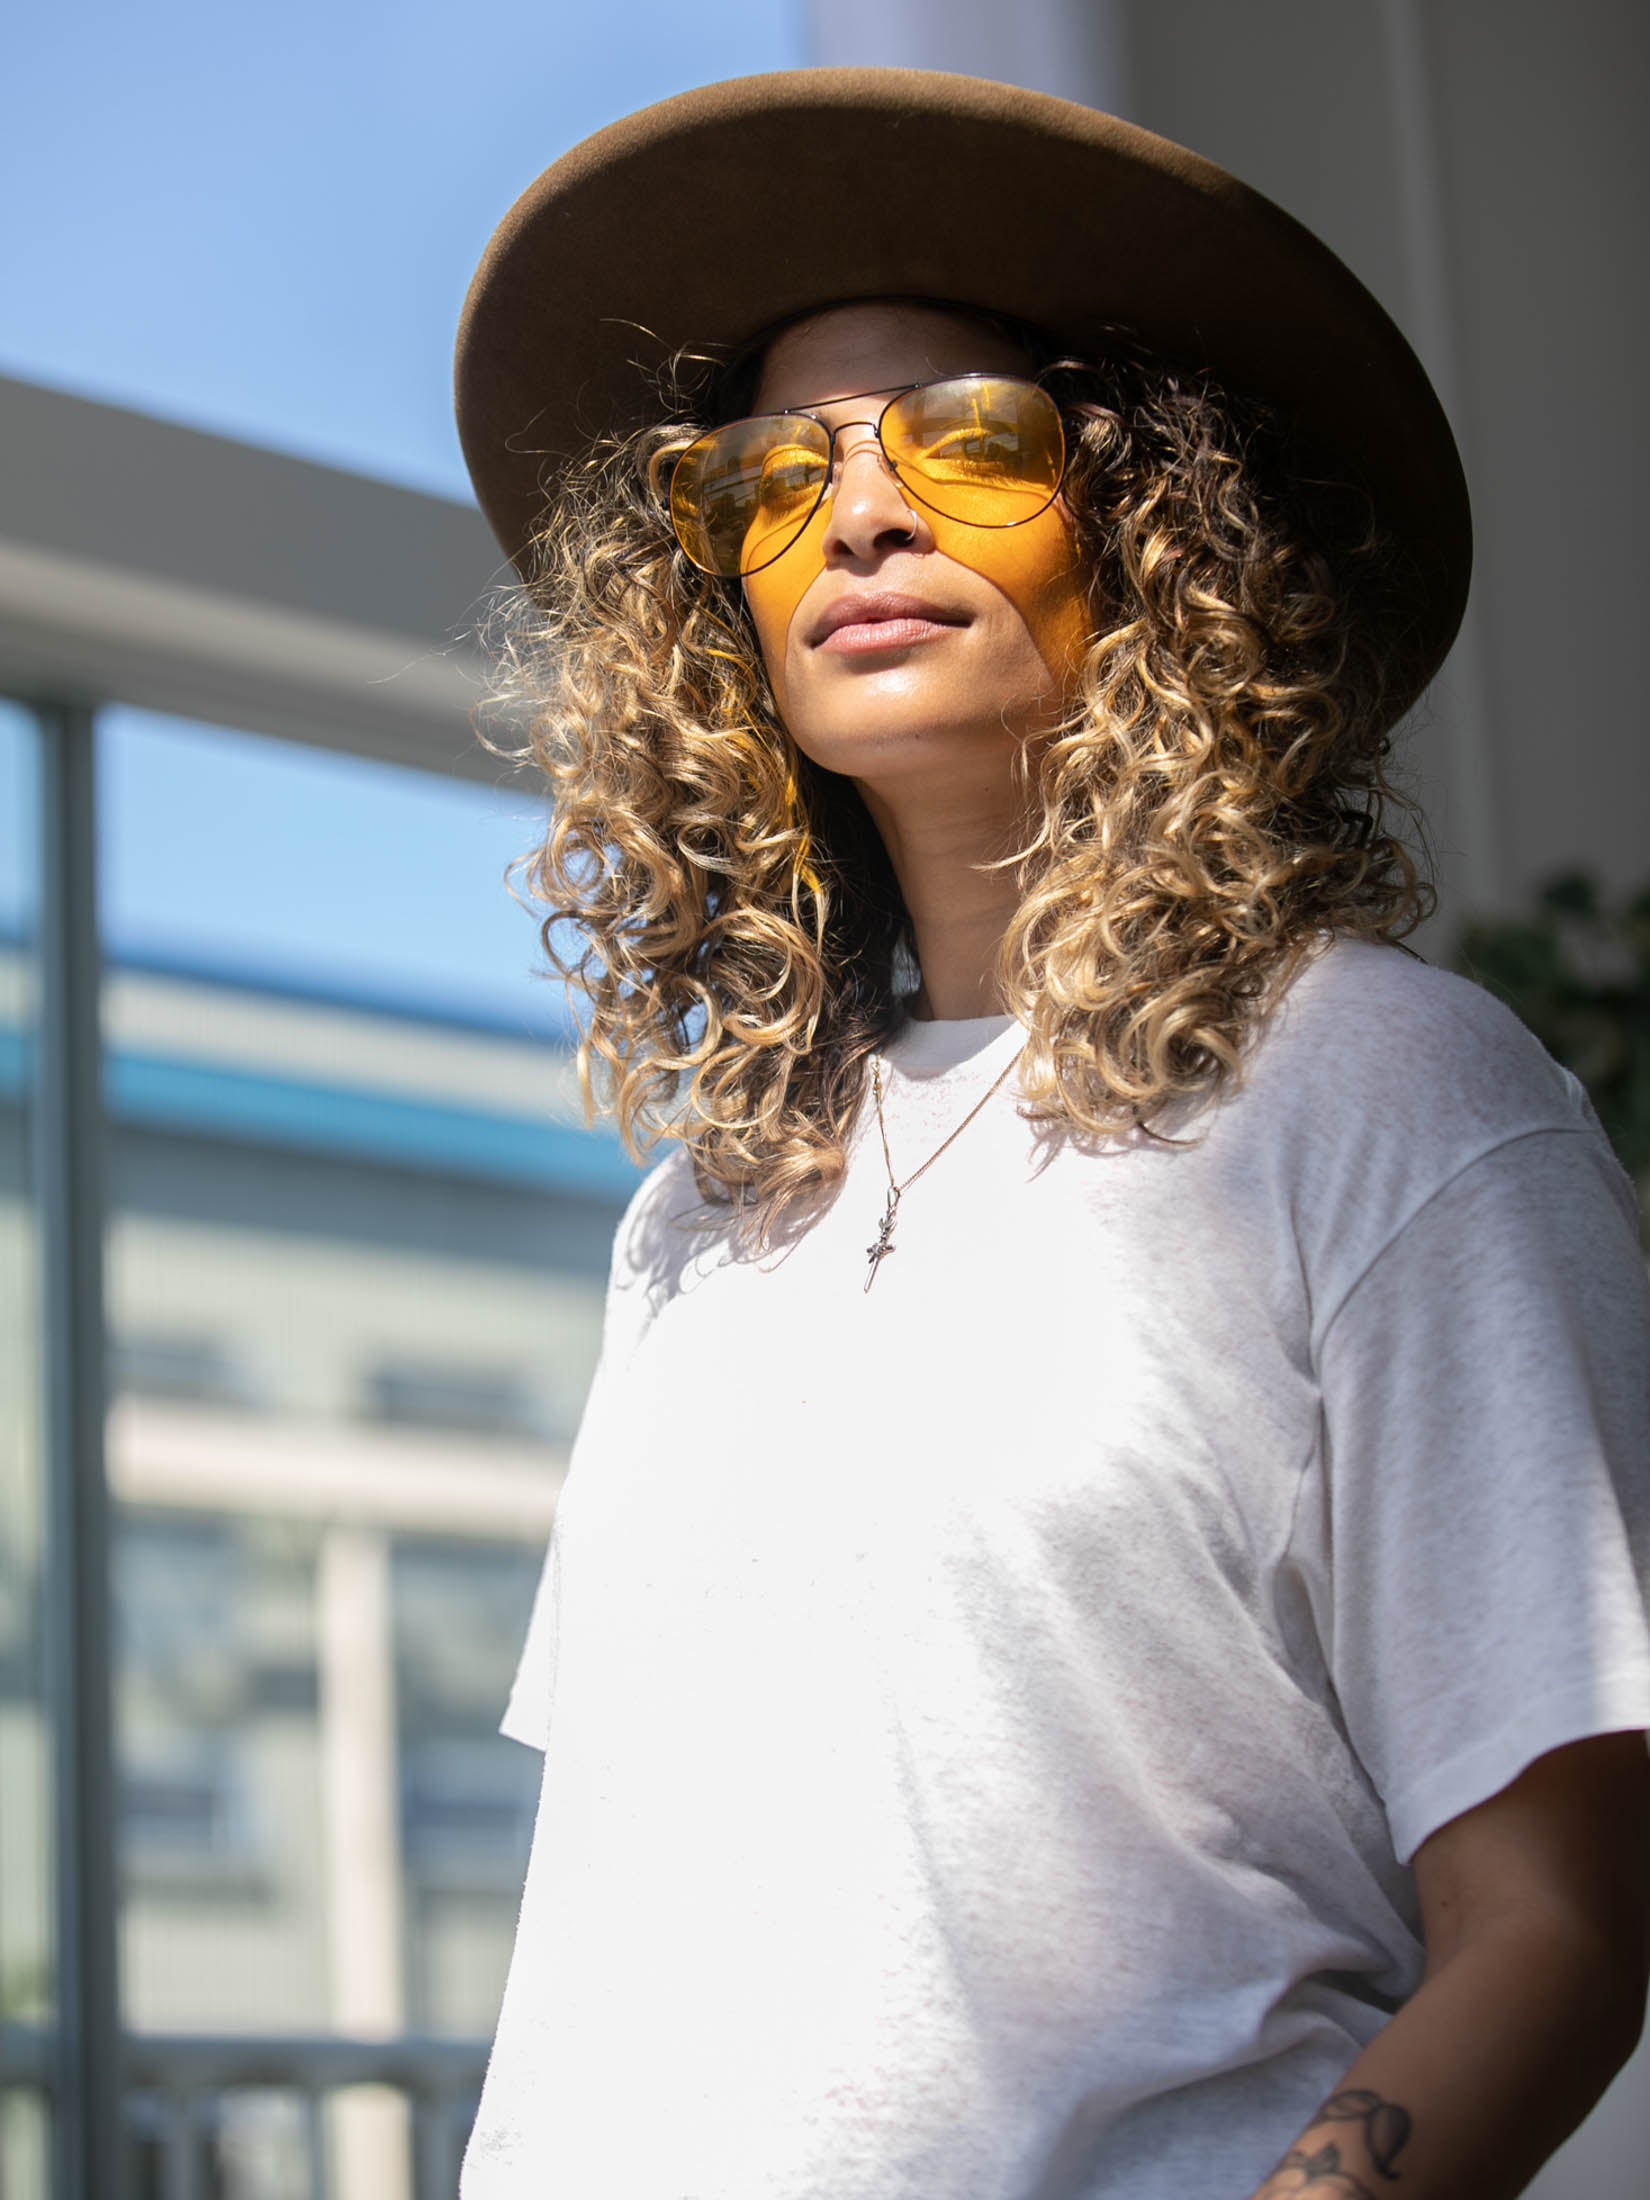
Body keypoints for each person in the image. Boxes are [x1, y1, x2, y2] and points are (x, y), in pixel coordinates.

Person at [452, 69, 1650, 2200]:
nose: (862, 520)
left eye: (969, 438)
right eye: (773, 477)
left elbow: (1558, 1926)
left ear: (1161, 526)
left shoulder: (1386, 1096)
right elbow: (628, 1909)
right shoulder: (700, 1213)